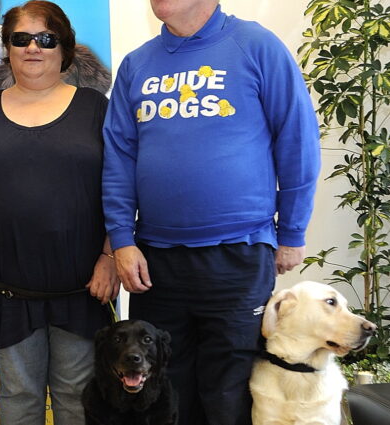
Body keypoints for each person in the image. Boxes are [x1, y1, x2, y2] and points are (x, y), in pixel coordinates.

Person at [102, 0, 321, 424]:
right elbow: (118, 158)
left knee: (229, 393)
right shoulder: (137, 65)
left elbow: (297, 139)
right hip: (155, 260)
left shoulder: (256, 46)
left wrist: (292, 232)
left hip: (237, 254)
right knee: (161, 390)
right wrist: (122, 241)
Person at [0, 2, 118, 424]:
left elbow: (122, 190)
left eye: (46, 39)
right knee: (18, 397)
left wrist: (111, 257)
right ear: (8, 48)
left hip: (83, 290)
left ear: (66, 49)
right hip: (7, 291)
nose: (33, 48)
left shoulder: (97, 108)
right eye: (21, 39)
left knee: (77, 399)